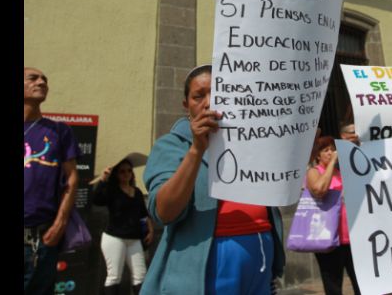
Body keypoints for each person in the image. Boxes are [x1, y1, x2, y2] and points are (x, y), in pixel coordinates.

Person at [142, 64, 285, 295]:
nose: (209, 102)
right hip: (207, 273)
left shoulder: (252, 142)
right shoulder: (171, 145)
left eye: (218, 93)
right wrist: (196, 150)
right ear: (186, 105)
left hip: (259, 266)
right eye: (198, 96)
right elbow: (164, 212)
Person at [24, 67, 80, 295]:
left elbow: (72, 178)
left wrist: (60, 223)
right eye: (33, 78)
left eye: (44, 79)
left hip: (40, 239)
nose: (41, 82)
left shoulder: (59, 131)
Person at [306, 136, 360, 295]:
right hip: (329, 239)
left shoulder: (341, 173)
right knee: (333, 286)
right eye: (326, 150)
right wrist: (331, 164)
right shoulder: (313, 172)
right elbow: (319, 190)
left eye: (332, 149)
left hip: (350, 238)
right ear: (318, 155)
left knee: (361, 283)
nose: (330, 153)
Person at [93, 158, 154, 294]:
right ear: (116, 174)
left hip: (134, 238)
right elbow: (97, 200)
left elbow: (143, 213)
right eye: (122, 171)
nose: (126, 174)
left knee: (140, 276)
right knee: (114, 276)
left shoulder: (137, 192)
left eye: (129, 171)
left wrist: (150, 230)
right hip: (115, 237)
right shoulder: (112, 191)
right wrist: (103, 179)